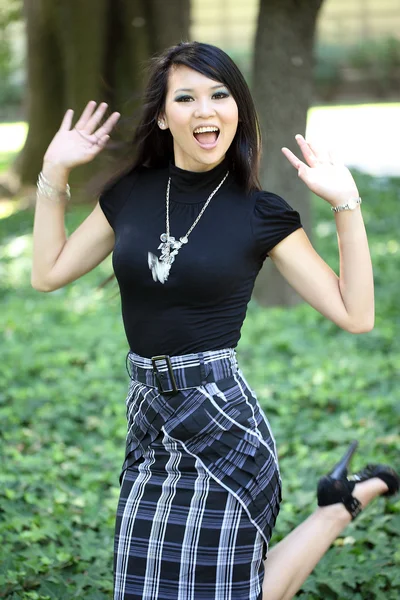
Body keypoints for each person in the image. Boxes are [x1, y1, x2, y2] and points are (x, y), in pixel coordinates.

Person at [31, 41, 399, 600]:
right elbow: (49, 272)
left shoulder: (260, 211)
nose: (206, 110)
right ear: (163, 115)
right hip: (148, 423)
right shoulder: (130, 195)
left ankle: (336, 509)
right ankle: (337, 504)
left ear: (238, 109)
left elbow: (357, 314)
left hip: (220, 425)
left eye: (220, 95)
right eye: (187, 98)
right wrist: (53, 171)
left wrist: (346, 205)